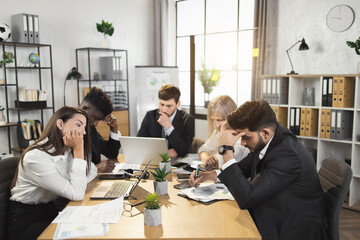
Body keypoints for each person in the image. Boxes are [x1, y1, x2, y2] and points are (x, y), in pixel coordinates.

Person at [190, 100, 328, 240]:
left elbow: (247, 199)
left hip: (295, 227)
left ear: (265, 133)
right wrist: (211, 176)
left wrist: (226, 150)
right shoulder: (269, 140)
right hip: (276, 210)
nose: (243, 143)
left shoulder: (287, 155)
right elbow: (243, 168)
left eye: (245, 137)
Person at [8, 106, 97, 240]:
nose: (83, 132)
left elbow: (92, 170)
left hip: (49, 211)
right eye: (79, 125)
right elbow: (77, 193)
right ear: (60, 124)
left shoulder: (66, 152)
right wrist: (78, 150)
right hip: (27, 221)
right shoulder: (35, 157)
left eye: (84, 127)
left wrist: (77, 156)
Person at [137, 84, 195, 158]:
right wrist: (163, 153)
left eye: (169, 106)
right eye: (162, 104)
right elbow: (140, 143)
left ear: (178, 104)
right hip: (155, 159)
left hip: (176, 163)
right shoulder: (150, 116)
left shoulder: (188, 119)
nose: (164, 110)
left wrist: (169, 127)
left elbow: (184, 151)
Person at [198, 95, 249, 170]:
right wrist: (206, 158)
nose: (217, 125)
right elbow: (202, 149)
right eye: (214, 120)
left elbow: (222, 162)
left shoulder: (241, 137)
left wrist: (213, 160)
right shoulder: (218, 131)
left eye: (219, 120)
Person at [80, 87, 121, 173]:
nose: (95, 124)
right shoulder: (66, 130)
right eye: (95, 118)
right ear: (84, 109)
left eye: (98, 120)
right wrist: (96, 168)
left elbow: (111, 154)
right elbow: (69, 171)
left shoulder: (90, 128)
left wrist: (114, 128)